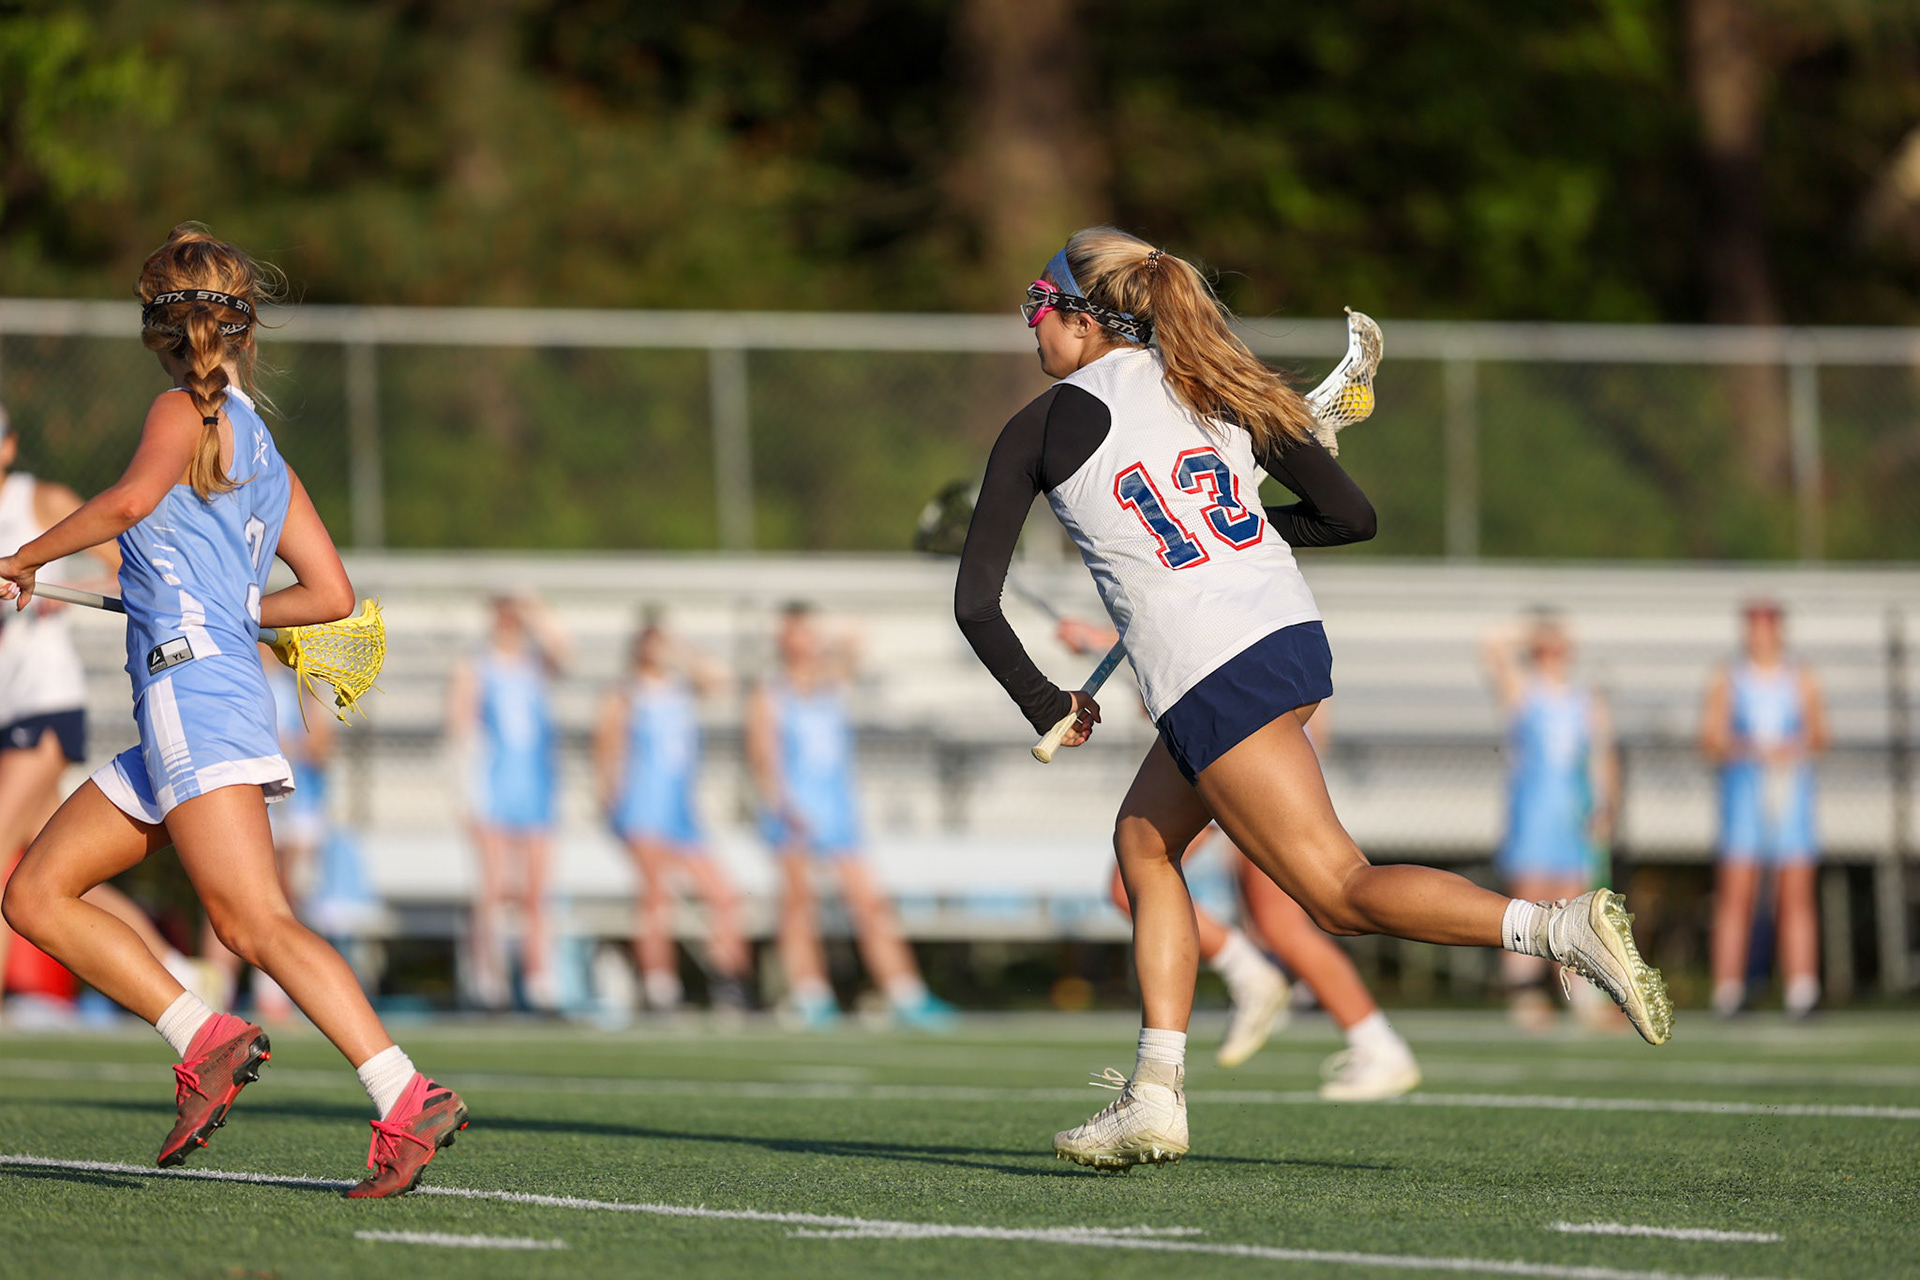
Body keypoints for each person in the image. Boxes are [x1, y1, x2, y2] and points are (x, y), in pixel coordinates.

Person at [954, 227, 1671, 1171]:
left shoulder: (1042, 424)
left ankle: (1557, 928)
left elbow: (976, 603)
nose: (1032, 334)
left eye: (1037, 312)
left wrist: (1046, 700)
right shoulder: (1218, 384)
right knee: (1143, 846)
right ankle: (1153, 1095)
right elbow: (1349, 517)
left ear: (1083, 319)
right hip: (1286, 644)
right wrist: (1246, 521)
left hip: (1213, 669)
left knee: (1335, 892)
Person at [0, 224, 464, 1196]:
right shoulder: (265, 447)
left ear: (156, 332)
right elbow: (330, 591)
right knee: (36, 892)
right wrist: (230, 604)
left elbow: (126, 505)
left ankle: (402, 1091)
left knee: (254, 921)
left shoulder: (182, 410)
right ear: (242, 328)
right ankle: (201, 1033)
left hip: (189, 693)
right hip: (202, 690)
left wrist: (27, 556)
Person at [1061, 618, 1420, 1095]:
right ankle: (1375, 1045)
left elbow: (1199, 652)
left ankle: (1252, 974)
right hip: (1240, 745)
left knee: (1135, 884)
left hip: (1235, 747)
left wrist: (1102, 643)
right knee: (1281, 923)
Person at [0, 399, 220, 1019]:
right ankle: (177, 969)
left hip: (45, 703)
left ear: (11, 446)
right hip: (8, 704)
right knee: (54, 868)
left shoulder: (35, 500)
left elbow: (127, 570)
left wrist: (59, 594)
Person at [747, 602, 953, 1030]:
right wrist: (786, 807)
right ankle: (810, 994)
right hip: (793, 811)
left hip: (837, 810)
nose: (802, 640)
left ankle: (905, 993)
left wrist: (831, 644)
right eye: (793, 633)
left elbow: (856, 644)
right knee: (798, 904)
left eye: (806, 631)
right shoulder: (770, 693)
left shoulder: (831, 681)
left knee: (870, 903)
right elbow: (764, 760)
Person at [594, 616, 750, 1013]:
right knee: (656, 899)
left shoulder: (680, 689)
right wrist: (613, 805)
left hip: (682, 814)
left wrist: (682, 648)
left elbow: (720, 679)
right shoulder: (626, 695)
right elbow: (608, 752)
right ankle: (660, 986)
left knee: (725, 896)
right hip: (643, 809)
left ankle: (729, 979)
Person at [1482, 614, 1621, 1032]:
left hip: (1573, 813)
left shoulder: (1584, 698)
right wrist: (1533, 629)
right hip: (1534, 811)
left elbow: (1602, 754)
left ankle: (1583, 995)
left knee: (1574, 901)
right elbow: (1490, 645)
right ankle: (1524, 992)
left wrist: (1604, 806)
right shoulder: (1525, 691)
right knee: (1529, 898)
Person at [1701, 600, 1827, 1018]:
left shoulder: (1799, 677)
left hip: (1790, 797)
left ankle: (1801, 988)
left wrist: (1790, 750)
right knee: (1737, 894)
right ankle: (1728, 989)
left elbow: (1819, 734)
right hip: (1744, 798)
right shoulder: (1729, 677)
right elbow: (1711, 738)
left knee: (1796, 895)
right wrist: (1752, 748)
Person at [200, 645, 336, 1022]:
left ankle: (273, 991)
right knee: (230, 893)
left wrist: (294, 746)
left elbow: (322, 745)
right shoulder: (239, 675)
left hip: (299, 803)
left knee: (283, 897)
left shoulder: (301, 685)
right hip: (252, 800)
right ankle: (215, 989)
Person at [447, 595, 568, 1011]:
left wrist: (537, 611)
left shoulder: (535, 665)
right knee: (494, 889)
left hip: (535, 786)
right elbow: (461, 728)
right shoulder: (477, 665)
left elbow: (564, 653)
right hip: (494, 787)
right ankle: (489, 981)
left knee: (536, 892)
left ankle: (540, 982)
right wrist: (466, 793)